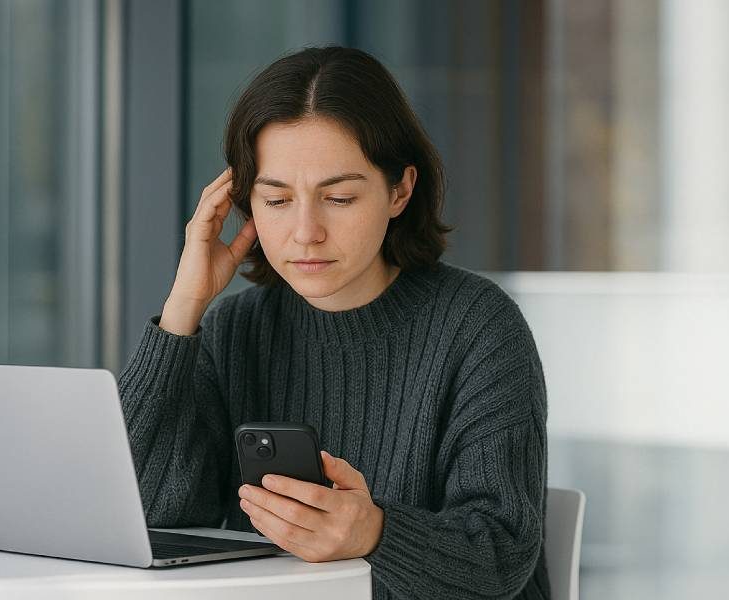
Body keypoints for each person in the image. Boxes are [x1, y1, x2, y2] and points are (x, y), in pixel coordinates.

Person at [119, 45, 550, 600]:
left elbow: (502, 555)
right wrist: (182, 311)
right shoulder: (233, 329)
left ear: (400, 190)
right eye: (275, 201)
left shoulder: (477, 327)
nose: (305, 232)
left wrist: (374, 533)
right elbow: (150, 514)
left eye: (339, 197)